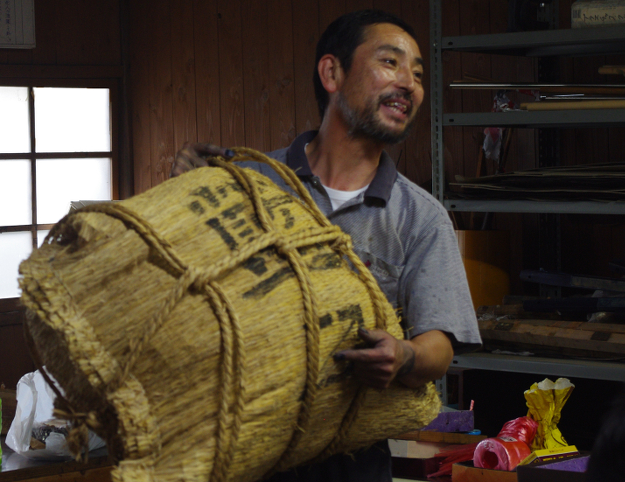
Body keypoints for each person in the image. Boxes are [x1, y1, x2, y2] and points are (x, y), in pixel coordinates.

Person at [171, 9, 481, 482]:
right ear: (332, 72)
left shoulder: (421, 216)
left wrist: (403, 357)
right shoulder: (253, 184)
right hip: (239, 451)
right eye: (391, 63)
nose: (410, 83)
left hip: (351, 464)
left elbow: (439, 345)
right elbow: (186, 287)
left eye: (418, 74)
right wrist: (184, 198)